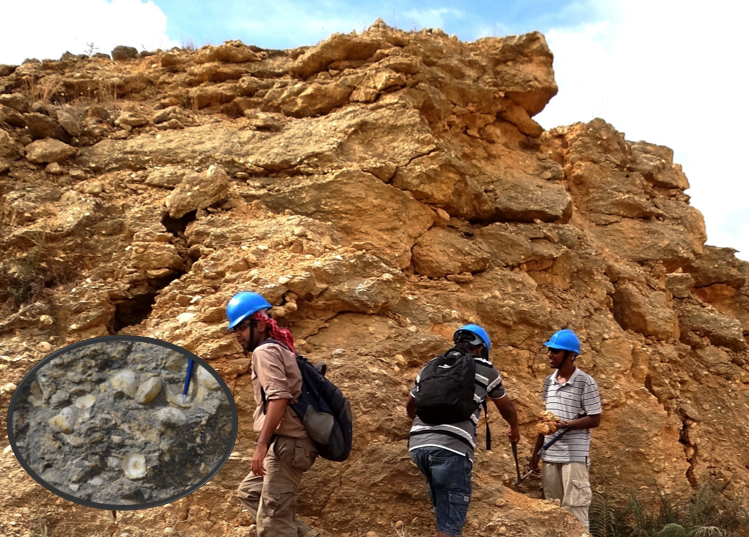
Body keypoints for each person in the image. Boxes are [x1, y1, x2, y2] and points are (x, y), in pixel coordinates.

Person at [406, 324, 520, 537]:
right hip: (452, 450)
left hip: (418, 446)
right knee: (450, 526)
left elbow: (410, 407)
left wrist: (428, 427)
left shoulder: (431, 365)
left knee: (443, 509)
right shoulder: (485, 368)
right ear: (481, 348)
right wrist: (514, 428)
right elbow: (507, 407)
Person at [229, 291, 318, 537]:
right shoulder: (279, 348)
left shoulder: (264, 352)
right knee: (250, 492)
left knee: (273, 522)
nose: (237, 335)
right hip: (288, 443)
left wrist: (261, 444)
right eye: (234, 330)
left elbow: (279, 397)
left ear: (259, 324)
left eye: (241, 328)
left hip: (288, 443)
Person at [529, 329, 602, 531]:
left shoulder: (585, 382)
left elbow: (595, 419)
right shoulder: (548, 382)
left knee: (575, 512)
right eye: (549, 350)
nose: (549, 355)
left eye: (555, 351)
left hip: (574, 457)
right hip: (550, 456)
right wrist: (536, 453)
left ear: (570, 355)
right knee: (554, 513)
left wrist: (566, 425)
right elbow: (545, 420)